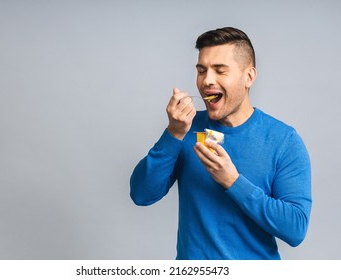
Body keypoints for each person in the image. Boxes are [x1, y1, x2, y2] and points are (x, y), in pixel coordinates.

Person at [130, 27, 311, 260]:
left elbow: (295, 229)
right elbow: (142, 194)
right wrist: (173, 134)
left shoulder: (284, 141)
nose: (207, 80)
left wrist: (232, 181)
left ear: (249, 77)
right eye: (201, 70)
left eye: (220, 70)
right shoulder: (185, 128)